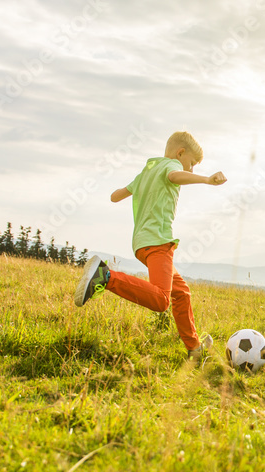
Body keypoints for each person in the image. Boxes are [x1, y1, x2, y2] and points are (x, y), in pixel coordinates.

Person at [73, 131, 226, 360]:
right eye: (191, 163)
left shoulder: (146, 172)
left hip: (141, 244)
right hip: (158, 242)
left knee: (181, 292)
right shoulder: (171, 167)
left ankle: (194, 348)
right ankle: (105, 277)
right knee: (161, 300)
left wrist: (130, 190)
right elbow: (175, 176)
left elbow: (115, 196)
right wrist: (205, 180)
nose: (191, 169)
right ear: (180, 153)